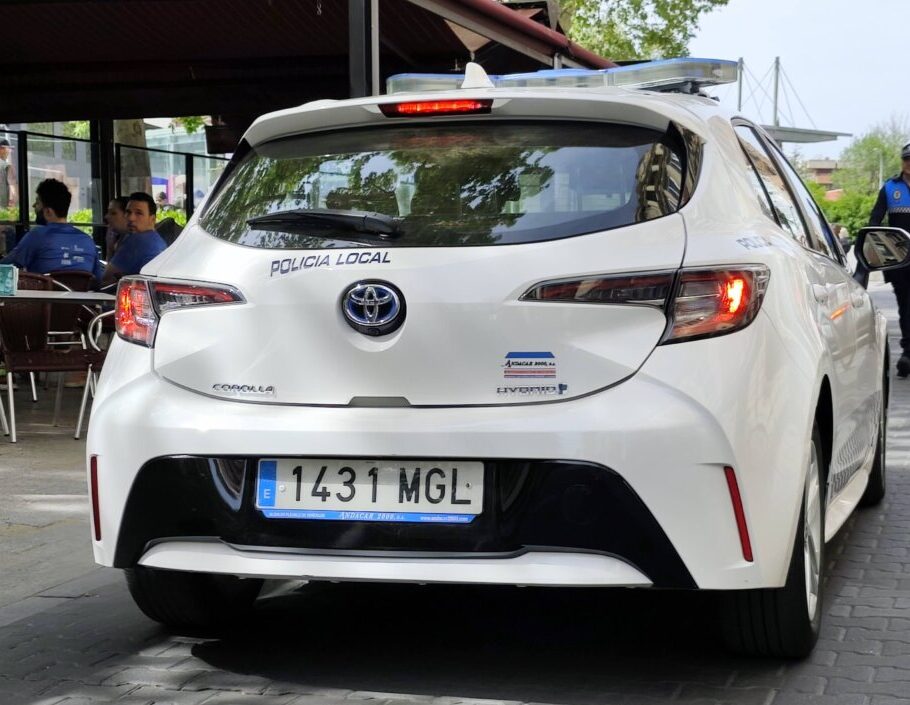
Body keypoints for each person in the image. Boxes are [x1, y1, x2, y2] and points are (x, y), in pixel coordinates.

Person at [0, 178, 103, 284]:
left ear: (48, 211)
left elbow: (4, 267)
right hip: (80, 300)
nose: (34, 206)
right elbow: (98, 280)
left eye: (37, 202)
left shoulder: (37, 236)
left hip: (43, 300)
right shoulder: (87, 240)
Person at [868, 142, 910, 377]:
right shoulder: (890, 188)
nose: (909, 163)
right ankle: (907, 353)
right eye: (907, 159)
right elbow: (875, 219)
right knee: (905, 305)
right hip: (900, 260)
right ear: (902, 161)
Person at [101, 192, 166, 286]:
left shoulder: (137, 241)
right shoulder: (158, 241)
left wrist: (110, 248)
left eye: (139, 213)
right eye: (128, 212)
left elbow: (106, 280)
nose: (131, 218)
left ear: (152, 219)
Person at [0, 137, 17, 209]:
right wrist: (13, 200)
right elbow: (12, 186)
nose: (9, 151)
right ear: (2, 149)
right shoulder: (8, 166)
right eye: (8, 149)